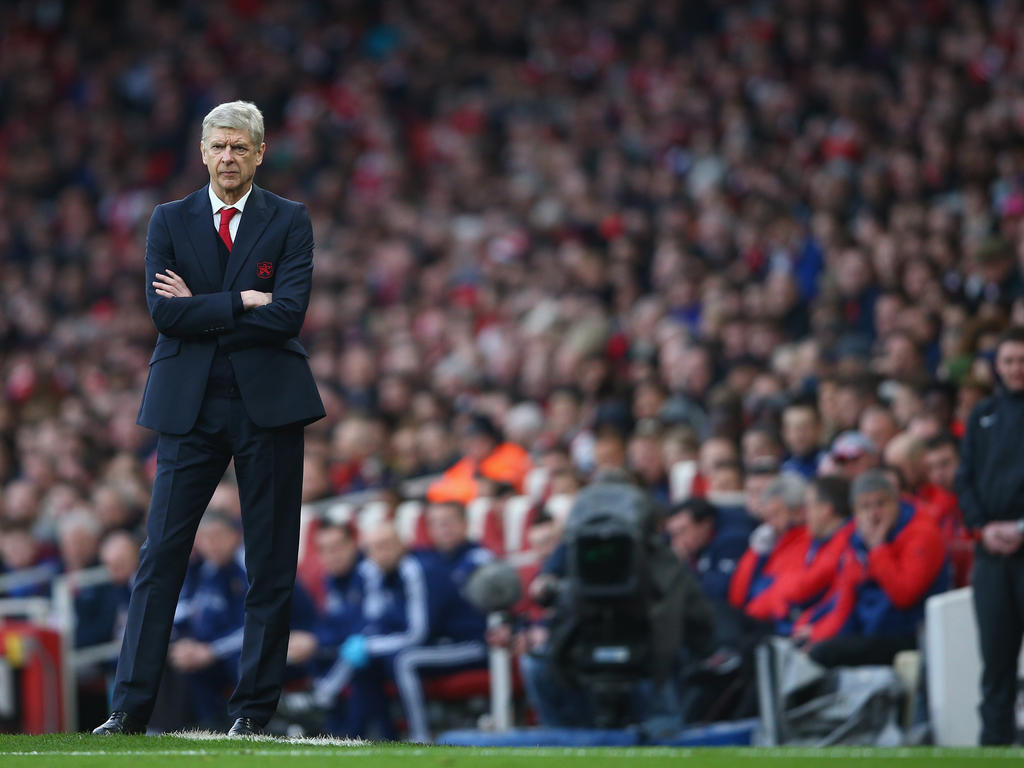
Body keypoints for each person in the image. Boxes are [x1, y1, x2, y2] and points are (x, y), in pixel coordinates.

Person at [95, 101, 325, 737]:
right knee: (162, 554)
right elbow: (164, 316)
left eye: (239, 148)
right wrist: (242, 301)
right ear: (203, 152)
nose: (228, 157)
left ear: (258, 153)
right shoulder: (169, 220)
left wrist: (207, 308)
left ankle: (253, 712)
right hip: (189, 408)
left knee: (272, 561)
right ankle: (128, 709)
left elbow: (290, 314)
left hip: (269, 408)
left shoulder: (290, 219)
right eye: (218, 146)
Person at [795, 469, 947, 668]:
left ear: (897, 502)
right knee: (807, 650)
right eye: (865, 507)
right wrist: (817, 634)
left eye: (881, 504)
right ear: (855, 512)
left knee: (824, 655)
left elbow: (904, 595)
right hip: (871, 630)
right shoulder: (856, 540)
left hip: (909, 632)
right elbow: (846, 600)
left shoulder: (922, 533)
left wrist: (878, 548)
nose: (874, 514)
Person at [955, 325, 1024, 744]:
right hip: (992, 558)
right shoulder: (981, 415)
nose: (1018, 368)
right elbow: (965, 480)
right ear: (997, 366)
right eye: (1010, 361)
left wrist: (1019, 528)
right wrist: (983, 527)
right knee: (996, 668)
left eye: (1023, 361)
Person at [398, 501, 493, 742]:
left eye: (448, 522)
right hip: (442, 644)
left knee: (406, 660)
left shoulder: (480, 560)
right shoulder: (427, 560)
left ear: (465, 524)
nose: (443, 529)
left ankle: (420, 737)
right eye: (436, 524)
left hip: (473, 643)